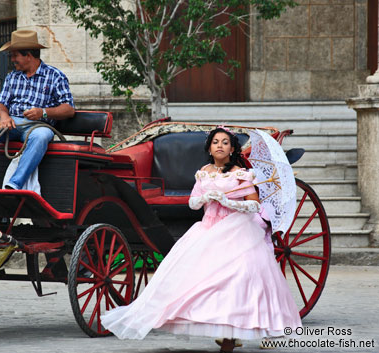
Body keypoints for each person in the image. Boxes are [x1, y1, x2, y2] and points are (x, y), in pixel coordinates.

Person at [101, 126, 302, 353]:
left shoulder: (241, 174)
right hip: (207, 229)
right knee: (194, 279)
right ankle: (199, 319)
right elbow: (193, 202)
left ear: (233, 148)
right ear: (209, 147)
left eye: (225, 142)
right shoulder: (203, 172)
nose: (220, 145)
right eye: (216, 142)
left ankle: (230, 334)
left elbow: (254, 204)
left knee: (235, 278)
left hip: (235, 229)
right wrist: (205, 197)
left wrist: (229, 202)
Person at [0, 29, 75, 190]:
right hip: (12, 124)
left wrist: (43, 112)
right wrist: (3, 116)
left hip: (38, 126)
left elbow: (69, 109)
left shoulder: (55, 76)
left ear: (28, 55)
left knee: (42, 136)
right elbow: (0, 105)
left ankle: (14, 184)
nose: (12, 59)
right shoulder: (12, 77)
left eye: (15, 55)